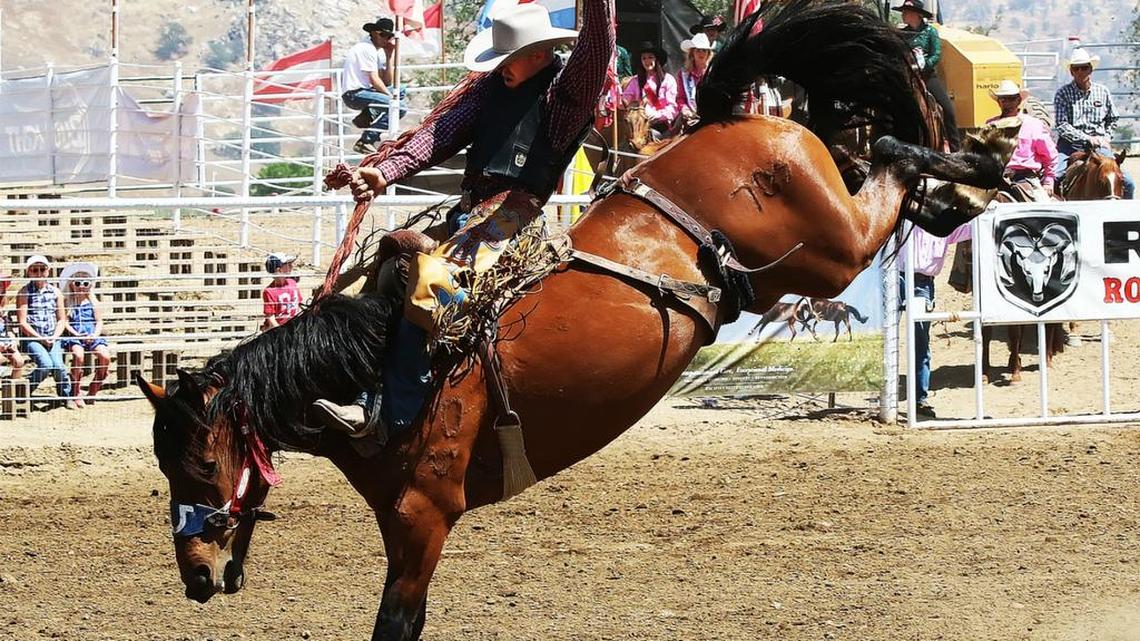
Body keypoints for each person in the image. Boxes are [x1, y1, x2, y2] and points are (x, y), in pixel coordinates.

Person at [310, 0, 615, 436]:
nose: (500, 67)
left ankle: (395, 414)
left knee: (430, 278)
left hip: (513, 218)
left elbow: (596, 49)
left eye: (507, 59)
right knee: (391, 257)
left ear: (539, 55)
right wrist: (384, 172)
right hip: (471, 212)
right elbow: (440, 134)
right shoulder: (491, 90)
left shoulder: (563, 96)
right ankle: (361, 387)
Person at [900, 224, 971, 419]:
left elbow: (973, 227)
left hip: (923, 282)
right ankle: (885, 395)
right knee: (886, 335)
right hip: (896, 277)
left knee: (921, 340)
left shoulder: (946, 227)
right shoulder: (907, 220)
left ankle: (920, 399)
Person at [1053, 48, 1135, 199]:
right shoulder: (1062, 94)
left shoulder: (1102, 92)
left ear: (1090, 69)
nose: (1080, 71)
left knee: (1128, 183)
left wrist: (1106, 137)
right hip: (1069, 146)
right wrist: (1087, 138)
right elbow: (1062, 125)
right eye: (1076, 68)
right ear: (1071, 71)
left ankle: (1124, 219)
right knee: (1054, 177)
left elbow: (1113, 118)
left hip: (1100, 146)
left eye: (1084, 67)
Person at [895, 0, 960, 151]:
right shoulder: (901, 34)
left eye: (906, 11)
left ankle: (955, 149)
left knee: (947, 108)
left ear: (917, 15)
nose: (903, 14)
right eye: (903, 11)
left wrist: (925, 65)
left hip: (927, 76)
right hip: (908, 77)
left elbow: (936, 54)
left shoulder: (930, 32)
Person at [15, 255, 75, 410]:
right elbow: (23, 322)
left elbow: (61, 319)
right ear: (29, 272)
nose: (39, 272)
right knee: (46, 364)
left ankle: (66, 396)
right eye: (35, 269)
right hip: (32, 338)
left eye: (42, 269)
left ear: (48, 271)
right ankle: (24, 391)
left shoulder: (55, 292)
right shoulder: (24, 293)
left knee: (59, 366)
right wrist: (41, 338)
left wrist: (54, 336)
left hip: (53, 336)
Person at [342, 17, 406, 155]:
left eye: (389, 36)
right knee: (400, 107)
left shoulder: (374, 51)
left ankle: (368, 115)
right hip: (355, 94)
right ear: (375, 33)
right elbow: (374, 79)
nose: (386, 39)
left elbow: (387, 82)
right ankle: (366, 140)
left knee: (401, 90)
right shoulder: (367, 49)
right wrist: (391, 98)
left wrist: (389, 56)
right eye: (383, 35)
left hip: (364, 92)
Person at [986, 80, 1059, 200]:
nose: (1007, 103)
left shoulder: (1033, 124)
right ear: (999, 102)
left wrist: (1048, 181)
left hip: (1024, 178)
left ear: (1019, 101)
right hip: (995, 177)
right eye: (1003, 99)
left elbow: (1050, 155)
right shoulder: (990, 125)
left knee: (1040, 210)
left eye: (1012, 99)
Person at [59, 262, 110, 407]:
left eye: (85, 283)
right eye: (78, 283)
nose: (81, 286)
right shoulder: (67, 302)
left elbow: (99, 321)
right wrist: (76, 334)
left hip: (92, 334)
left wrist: (94, 334)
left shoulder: (93, 302)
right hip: (75, 335)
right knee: (78, 355)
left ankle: (94, 389)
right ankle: (76, 390)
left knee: (105, 356)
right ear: (71, 284)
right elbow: (65, 322)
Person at [621, 41, 678, 140]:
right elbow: (625, 100)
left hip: (661, 126)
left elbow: (673, 109)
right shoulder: (635, 81)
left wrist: (657, 115)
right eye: (644, 58)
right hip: (638, 126)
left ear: (656, 59)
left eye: (650, 57)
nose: (647, 61)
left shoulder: (668, 80)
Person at [676, 33, 714, 130]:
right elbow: (680, 98)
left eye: (704, 50)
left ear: (708, 53)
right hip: (690, 119)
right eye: (698, 50)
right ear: (692, 53)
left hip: (712, 119)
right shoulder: (683, 74)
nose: (701, 53)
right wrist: (685, 110)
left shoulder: (713, 73)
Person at [262, 253, 302, 331]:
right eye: (288, 264)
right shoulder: (269, 291)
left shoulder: (293, 283)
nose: (291, 266)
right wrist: (279, 330)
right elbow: (270, 316)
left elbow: (299, 305)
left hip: (294, 326)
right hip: (278, 330)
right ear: (279, 270)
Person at [0, 272, 26, 377]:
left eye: (1, 285)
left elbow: (8, 327)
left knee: (19, 362)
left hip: (3, 340)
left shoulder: (3, 306)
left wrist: (13, 340)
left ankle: (12, 387)